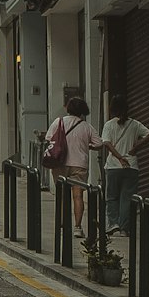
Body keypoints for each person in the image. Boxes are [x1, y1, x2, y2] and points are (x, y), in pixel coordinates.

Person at [44, 96, 106, 238]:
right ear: (83, 111)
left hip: (60, 163)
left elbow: (49, 138)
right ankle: (77, 227)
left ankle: (61, 223)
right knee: (78, 196)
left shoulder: (59, 122)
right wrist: (87, 145)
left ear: (68, 108)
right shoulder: (86, 126)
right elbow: (99, 144)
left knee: (62, 195)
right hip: (79, 164)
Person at [100, 94, 149, 236]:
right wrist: (136, 148)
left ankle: (113, 225)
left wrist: (119, 157)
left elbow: (106, 144)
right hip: (132, 167)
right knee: (127, 199)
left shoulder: (109, 125)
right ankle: (124, 229)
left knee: (111, 197)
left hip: (113, 166)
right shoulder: (135, 124)